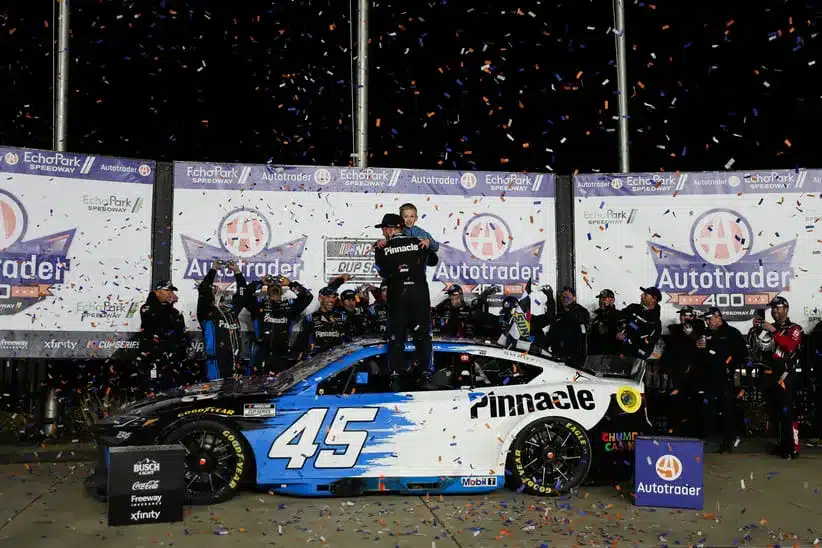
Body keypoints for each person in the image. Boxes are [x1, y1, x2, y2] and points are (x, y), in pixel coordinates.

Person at [373, 213, 432, 385]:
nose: (383, 232)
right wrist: (426, 244)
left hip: (398, 298)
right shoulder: (419, 242)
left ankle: (395, 375)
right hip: (420, 298)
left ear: (392, 229)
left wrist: (382, 248)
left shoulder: (382, 247)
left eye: (384, 228)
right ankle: (425, 373)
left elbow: (382, 272)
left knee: (396, 337)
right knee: (423, 337)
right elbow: (433, 258)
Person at [753, 296, 804, 459]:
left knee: (788, 413)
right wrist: (757, 331)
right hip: (770, 376)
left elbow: (789, 346)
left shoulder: (794, 328)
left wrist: (774, 331)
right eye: (773, 308)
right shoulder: (769, 327)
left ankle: (793, 448)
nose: (775, 311)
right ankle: (783, 445)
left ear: (786, 309)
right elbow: (760, 348)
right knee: (775, 413)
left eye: (778, 308)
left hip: (786, 376)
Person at [696, 307, 747, 453]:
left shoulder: (732, 333)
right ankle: (708, 437)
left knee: (727, 409)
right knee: (708, 408)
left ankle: (727, 442)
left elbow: (742, 355)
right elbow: (699, 357)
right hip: (709, 377)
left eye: (710, 318)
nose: (708, 322)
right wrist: (698, 347)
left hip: (727, 378)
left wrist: (734, 373)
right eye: (706, 319)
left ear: (719, 317)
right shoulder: (704, 334)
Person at [245, 274, 313, 374]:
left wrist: (290, 284)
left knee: (281, 386)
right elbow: (244, 294)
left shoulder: (290, 306)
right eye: (272, 287)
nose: (275, 289)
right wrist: (260, 282)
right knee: (256, 384)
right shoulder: (258, 304)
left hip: (282, 353)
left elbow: (307, 296)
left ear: (282, 291)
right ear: (267, 291)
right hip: (260, 352)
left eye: (278, 287)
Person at [196, 260, 248, 380]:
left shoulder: (231, 310)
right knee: (216, 397)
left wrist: (237, 271)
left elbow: (242, 294)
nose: (216, 290)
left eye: (217, 288)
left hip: (235, 364)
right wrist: (214, 269)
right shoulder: (206, 312)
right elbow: (204, 290)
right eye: (212, 289)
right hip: (215, 365)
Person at [659, 306, 706, 434]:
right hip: (678, 372)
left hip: (695, 373)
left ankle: (696, 430)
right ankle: (676, 429)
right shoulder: (676, 331)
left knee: (695, 401)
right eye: (682, 315)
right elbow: (670, 350)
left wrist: (692, 335)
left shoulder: (700, 327)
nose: (684, 318)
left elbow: (701, 349)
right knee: (677, 400)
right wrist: (664, 366)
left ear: (693, 316)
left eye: (687, 315)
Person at [138, 280, 189, 391]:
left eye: (171, 291)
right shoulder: (147, 308)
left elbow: (181, 334)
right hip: (154, 359)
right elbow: (154, 319)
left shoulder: (175, 312)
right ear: (158, 292)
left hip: (173, 360)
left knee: (173, 392)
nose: (170, 293)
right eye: (167, 290)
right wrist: (167, 305)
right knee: (155, 392)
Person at [299, 275, 352, 357]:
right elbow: (301, 344)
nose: (331, 300)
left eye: (334, 297)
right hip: (316, 363)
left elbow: (349, 341)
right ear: (320, 298)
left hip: (337, 361)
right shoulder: (310, 318)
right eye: (328, 297)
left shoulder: (342, 317)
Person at [544, 286, 591, 366]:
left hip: (575, 356)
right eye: (562, 297)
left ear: (574, 298)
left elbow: (577, 321)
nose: (564, 299)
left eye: (567, 297)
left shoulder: (581, 311)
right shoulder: (560, 315)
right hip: (558, 355)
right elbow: (552, 331)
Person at [616, 287, 663, 361]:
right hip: (614, 354)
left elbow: (644, 341)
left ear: (654, 298)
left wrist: (626, 336)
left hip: (632, 361)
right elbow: (618, 318)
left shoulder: (655, 322)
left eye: (645, 294)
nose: (641, 296)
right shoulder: (633, 307)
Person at [588, 289, 621, 355]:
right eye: (600, 299)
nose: (601, 301)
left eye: (604, 298)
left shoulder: (618, 315)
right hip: (594, 356)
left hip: (611, 357)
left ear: (612, 300)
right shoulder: (596, 317)